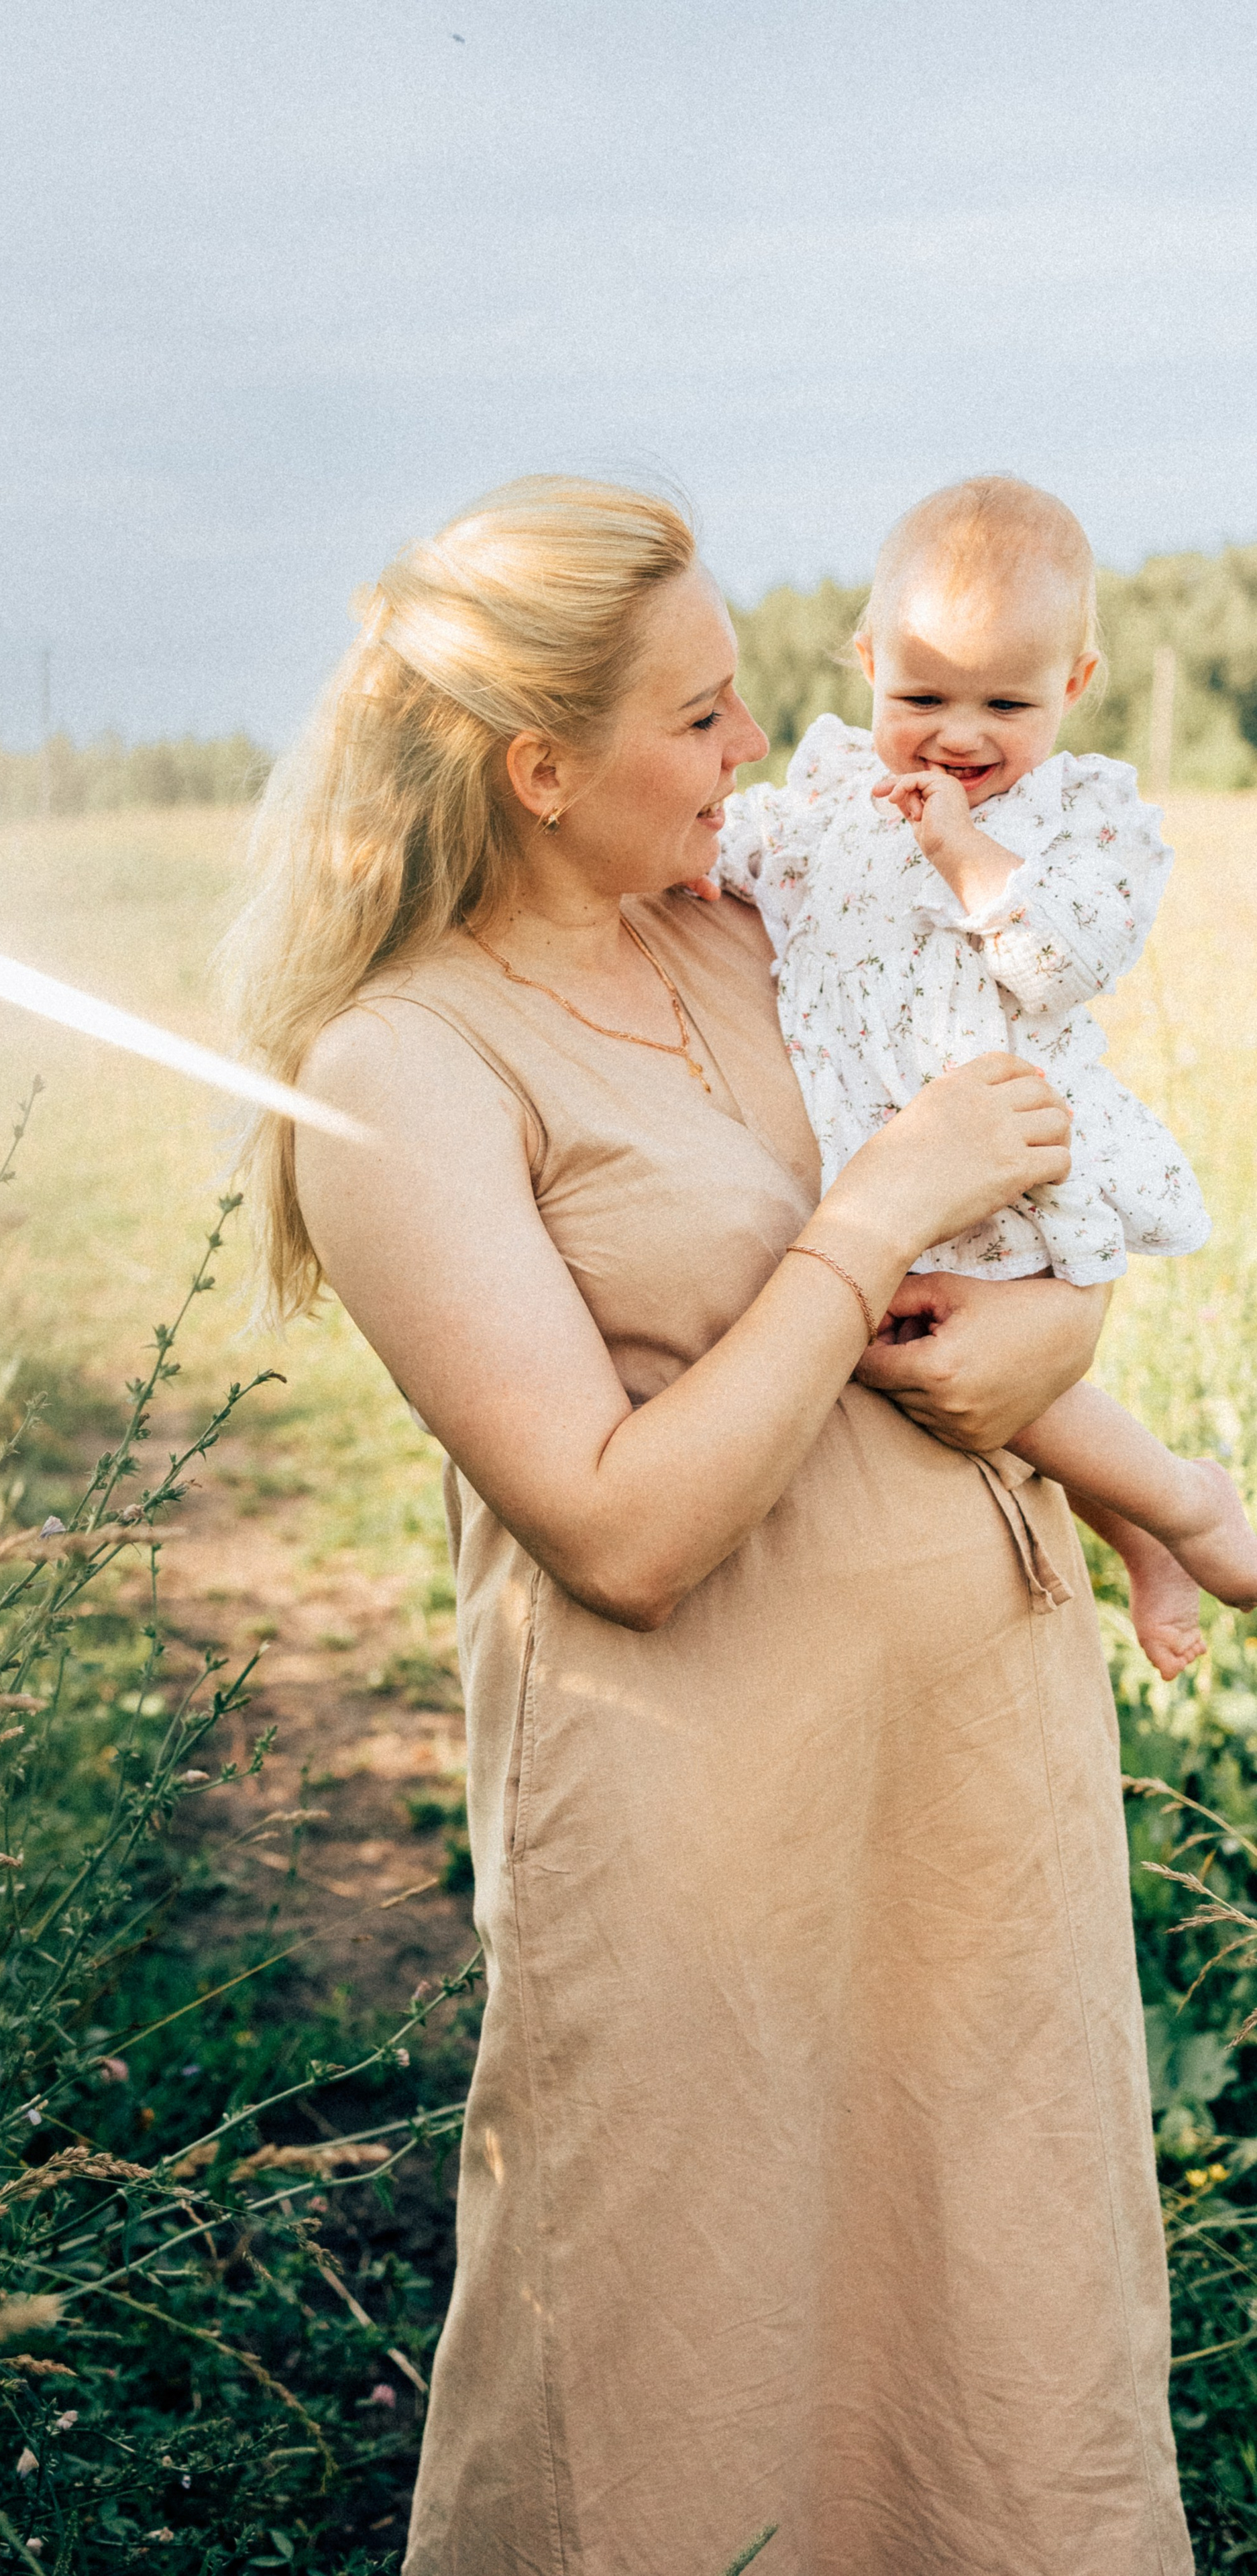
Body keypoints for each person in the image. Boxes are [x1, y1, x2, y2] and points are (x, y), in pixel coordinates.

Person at [226, 476, 1193, 2573]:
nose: (757, 751)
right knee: (691, 2368)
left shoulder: (770, 921)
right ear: (538, 767)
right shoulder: (400, 1070)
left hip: (970, 1795)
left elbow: (1014, 1156)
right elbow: (616, 1527)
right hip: (703, 1839)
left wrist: (1067, 1330)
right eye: (697, 719)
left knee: (1007, 2349)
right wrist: (865, 1225)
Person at [704, 472, 1256, 1678]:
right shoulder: (836, 793)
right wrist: (701, 855)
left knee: (987, 1367)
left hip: (1005, 1151)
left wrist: (969, 853)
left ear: (1075, 687)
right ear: (864, 661)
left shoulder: (1079, 822)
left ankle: (1184, 1502)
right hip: (881, 1156)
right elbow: (745, 848)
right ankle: (1147, 1530)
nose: (958, 736)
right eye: (920, 695)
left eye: (1005, 701)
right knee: (960, 1378)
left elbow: (1066, 961)